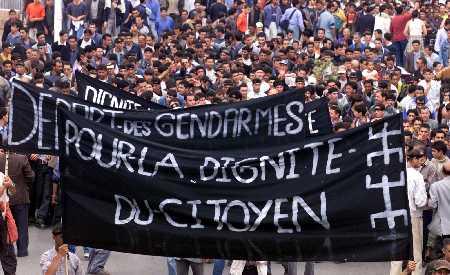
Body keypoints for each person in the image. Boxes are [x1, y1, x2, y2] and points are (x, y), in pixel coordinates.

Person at [390, 148, 428, 275]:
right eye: (419, 159)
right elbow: (420, 202)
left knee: (397, 251)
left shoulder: (397, 174)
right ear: (413, 159)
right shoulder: (417, 176)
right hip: (413, 216)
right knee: (416, 251)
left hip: (397, 217)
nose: (421, 162)